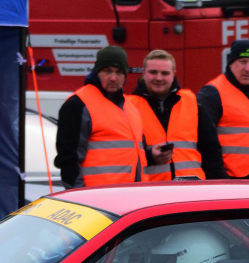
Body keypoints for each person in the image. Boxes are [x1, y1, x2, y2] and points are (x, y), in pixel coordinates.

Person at [54, 46, 171, 189]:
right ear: (97, 72)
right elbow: (68, 159)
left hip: (132, 196)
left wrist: (151, 156)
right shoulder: (78, 104)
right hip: (97, 197)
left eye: (119, 72)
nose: (113, 78)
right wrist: (79, 196)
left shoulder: (130, 107)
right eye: (107, 71)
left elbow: (127, 155)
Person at [196, 39, 249, 180]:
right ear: (230, 64)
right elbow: (204, 142)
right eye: (243, 62)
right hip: (229, 182)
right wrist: (220, 179)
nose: (248, 69)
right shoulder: (212, 93)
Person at [125, 50, 204, 181]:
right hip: (151, 188)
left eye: (165, 73)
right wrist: (150, 157)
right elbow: (123, 155)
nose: (159, 78)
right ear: (143, 73)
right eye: (153, 72)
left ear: (173, 74)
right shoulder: (129, 106)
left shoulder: (191, 101)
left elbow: (210, 149)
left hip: (191, 186)